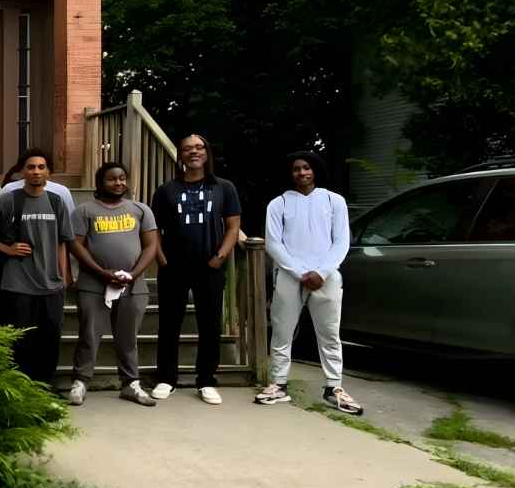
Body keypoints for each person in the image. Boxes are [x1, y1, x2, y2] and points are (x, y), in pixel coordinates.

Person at [257, 151, 361, 414]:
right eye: (296, 169)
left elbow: (341, 242)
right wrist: (300, 272)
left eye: (306, 168)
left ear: (315, 170)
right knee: (282, 332)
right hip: (290, 277)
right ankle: (278, 384)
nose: (302, 173)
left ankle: (334, 387)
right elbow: (273, 243)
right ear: (289, 173)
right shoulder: (278, 203)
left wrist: (323, 272)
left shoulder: (333, 200)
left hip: (326, 277)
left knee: (329, 334)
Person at [149, 133, 242, 404]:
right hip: (174, 266)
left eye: (199, 147)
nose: (194, 152)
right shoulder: (166, 190)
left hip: (210, 266)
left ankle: (206, 381)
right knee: (169, 324)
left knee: (210, 324)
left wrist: (221, 256)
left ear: (207, 152)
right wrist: (162, 258)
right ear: (180, 155)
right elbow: (154, 229)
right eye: (187, 148)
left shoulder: (224, 187)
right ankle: (167, 378)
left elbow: (233, 226)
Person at [0, 150, 72, 386]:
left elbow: (62, 242)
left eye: (41, 167)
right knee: (21, 341)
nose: (36, 171)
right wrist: (7, 249)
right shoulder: (9, 199)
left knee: (49, 339)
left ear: (48, 172)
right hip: (18, 284)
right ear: (22, 171)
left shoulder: (57, 201)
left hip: (51, 285)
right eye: (31, 167)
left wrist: (63, 274)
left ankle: (45, 387)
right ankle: (22, 389)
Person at [67, 163, 159, 407]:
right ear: (100, 183)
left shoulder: (140, 210)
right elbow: (75, 245)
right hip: (93, 283)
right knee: (89, 334)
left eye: (122, 178)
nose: (118, 183)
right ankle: (80, 381)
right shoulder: (84, 211)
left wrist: (134, 274)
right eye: (111, 179)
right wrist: (101, 272)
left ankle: (130, 384)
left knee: (128, 336)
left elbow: (151, 245)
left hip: (133, 284)